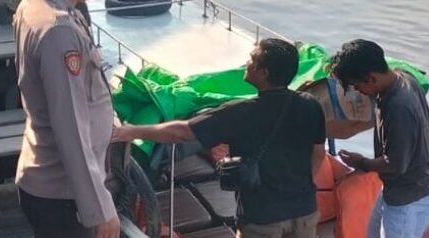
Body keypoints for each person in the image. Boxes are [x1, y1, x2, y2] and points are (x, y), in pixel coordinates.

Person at [114, 39, 327, 238]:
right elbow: (318, 154)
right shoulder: (310, 104)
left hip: (263, 217)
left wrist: (132, 131)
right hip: (305, 210)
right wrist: (300, 190)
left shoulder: (240, 112)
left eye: (252, 60)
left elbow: (181, 132)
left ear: (263, 72)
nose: (246, 63)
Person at [14, 0, 122, 238]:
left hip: (46, 179)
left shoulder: (34, 4)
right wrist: (99, 210)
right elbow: (70, 127)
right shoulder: (59, 31)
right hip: (62, 194)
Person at [331, 39, 429, 238]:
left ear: (370, 79)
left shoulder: (398, 108)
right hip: (398, 189)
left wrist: (361, 162)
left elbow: (396, 164)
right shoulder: (404, 77)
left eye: (357, 86)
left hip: (408, 199)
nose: (359, 92)